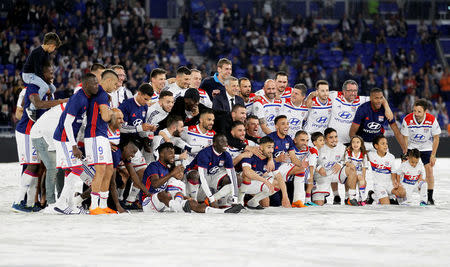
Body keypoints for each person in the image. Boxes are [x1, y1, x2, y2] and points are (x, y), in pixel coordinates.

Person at [12, 63, 66, 212]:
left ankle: (31, 203)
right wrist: (61, 102)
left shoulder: (48, 91)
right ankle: (19, 201)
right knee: (31, 166)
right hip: (27, 131)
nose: (53, 76)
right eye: (50, 73)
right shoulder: (31, 89)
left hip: (39, 132)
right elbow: (22, 110)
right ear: (41, 74)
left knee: (37, 167)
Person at [141, 142, 244, 213]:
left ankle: (221, 212)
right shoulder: (154, 166)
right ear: (161, 154)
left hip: (164, 204)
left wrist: (187, 198)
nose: (173, 155)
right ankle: (178, 208)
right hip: (148, 203)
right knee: (164, 194)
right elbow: (155, 184)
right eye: (170, 152)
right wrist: (172, 174)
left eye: (174, 152)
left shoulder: (167, 169)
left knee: (192, 203)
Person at [84, 69, 120, 215]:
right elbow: (106, 117)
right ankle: (94, 206)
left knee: (109, 169)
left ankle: (103, 204)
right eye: (116, 84)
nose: (116, 87)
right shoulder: (102, 95)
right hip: (94, 135)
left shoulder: (102, 94)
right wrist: (113, 112)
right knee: (100, 170)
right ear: (109, 81)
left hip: (102, 135)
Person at [118, 83, 155, 207]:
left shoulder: (144, 108)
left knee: (143, 173)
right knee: (125, 174)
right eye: (145, 99)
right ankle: (118, 200)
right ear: (138, 93)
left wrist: (148, 131)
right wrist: (140, 127)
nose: (146, 102)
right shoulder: (126, 105)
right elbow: (121, 127)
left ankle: (130, 201)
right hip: (122, 144)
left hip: (135, 145)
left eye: (148, 100)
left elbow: (141, 127)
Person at [400, 99, 441, 205]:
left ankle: (430, 197)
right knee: (404, 170)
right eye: (414, 111)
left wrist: (433, 155)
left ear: (425, 111)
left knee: (429, 170)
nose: (416, 114)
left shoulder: (432, 119)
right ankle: (402, 195)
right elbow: (405, 137)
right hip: (411, 146)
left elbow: (436, 138)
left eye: (419, 111)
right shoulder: (407, 119)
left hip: (426, 147)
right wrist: (405, 152)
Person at [184, 134, 240, 208]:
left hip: (211, 176)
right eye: (222, 142)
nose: (225, 144)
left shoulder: (226, 155)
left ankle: (221, 202)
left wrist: (235, 199)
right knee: (195, 175)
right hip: (194, 178)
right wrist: (211, 198)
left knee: (237, 178)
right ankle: (194, 202)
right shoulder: (205, 153)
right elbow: (203, 177)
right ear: (214, 143)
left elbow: (232, 176)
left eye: (226, 142)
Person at [350, 87, 407, 153]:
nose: (379, 101)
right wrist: (358, 146)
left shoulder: (386, 110)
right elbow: (352, 132)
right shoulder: (362, 109)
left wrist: (405, 149)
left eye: (381, 98)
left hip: (379, 143)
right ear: (371, 98)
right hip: (364, 143)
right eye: (376, 98)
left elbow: (397, 132)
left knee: (387, 161)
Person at [30, 102, 66, 205]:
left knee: (61, 167)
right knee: (52, 168)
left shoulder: (71, 107)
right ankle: (51, 202)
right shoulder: (67, 110)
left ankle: (61, 199)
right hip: (41, 135)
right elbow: (49, 130)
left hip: (51, 136)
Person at [312, 128, 359, 206]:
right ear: (325, 139)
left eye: (336, 137)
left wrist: (340, 164)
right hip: (322, 176)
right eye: (331, 137)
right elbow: (311, 160)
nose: (334, 140)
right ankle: (322, 196)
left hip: (336, 173)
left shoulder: (342, 147)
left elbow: (347, 159)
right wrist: (319, 167)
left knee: (351, 169)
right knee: (318, 204)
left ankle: (351, 197)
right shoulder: (319, 148)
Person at [241, 136, 290, 209]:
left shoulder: (270, 160)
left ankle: (253, 201)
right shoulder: (250, 155)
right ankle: (239, 202)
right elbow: (247, 172)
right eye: (269, 147)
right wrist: (266, 182)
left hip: (255, 185)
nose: (271, 150)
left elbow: (280, 178)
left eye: (272, 147)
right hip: (241, 186)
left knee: (277, 183)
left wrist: (285, 197)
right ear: (260, 147)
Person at [22, 32, 61, 121]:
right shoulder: (37, 52)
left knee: (53, 89)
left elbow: (44, 70)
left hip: (36, 74)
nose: (54, 49)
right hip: (28, 75)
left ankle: (48, 106)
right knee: (44, 86)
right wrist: (46, 83)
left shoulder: (46, 53)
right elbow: (38, 71)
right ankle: (31, 108)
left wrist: (49, 81)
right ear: (51, 45)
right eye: (54, 47)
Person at [328, 80, 371, 144]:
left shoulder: (360, 100)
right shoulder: (335, 95)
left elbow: (378, 97)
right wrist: (310, 97)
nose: (353, 93)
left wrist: (387, 109)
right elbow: (319, 93)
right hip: (332, 142)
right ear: (344, 91)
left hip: (349, 143)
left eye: (355, 91)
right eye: (350, 90)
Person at [367, 135, 406, 205]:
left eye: (386, 143)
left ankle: (390, 197)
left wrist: (394, 182)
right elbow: (360, 152)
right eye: (383, 144)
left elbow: (393, 171)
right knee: (386, 206)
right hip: (379, 185)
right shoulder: (371, 155)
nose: (385, 146)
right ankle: (373, 196)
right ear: (376, 146)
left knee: (402, 193)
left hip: (389, 184)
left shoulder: (391, 157)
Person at [291, 130, 319, 207]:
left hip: (300, 177)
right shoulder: (290, 148)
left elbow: (313, 162)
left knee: (309, 165)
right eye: (302, 140)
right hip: (287, 178)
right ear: (295, 140)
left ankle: (307, 200)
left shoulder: (310, 149)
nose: (305, 143)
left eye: (307, 140)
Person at [344, 135, 369, 205]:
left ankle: (362, 198)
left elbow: (364, 167)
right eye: (353, 142)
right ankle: (347, 197)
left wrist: (363, 178)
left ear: (361, 144)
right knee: (348, 179)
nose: (355, 144)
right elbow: (346, 162)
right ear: (351, 144)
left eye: (358, 142)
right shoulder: (348, 152)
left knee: (361, 179)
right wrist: (350, 165)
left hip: (359, 173)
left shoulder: (363, 154)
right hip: (351, 172)